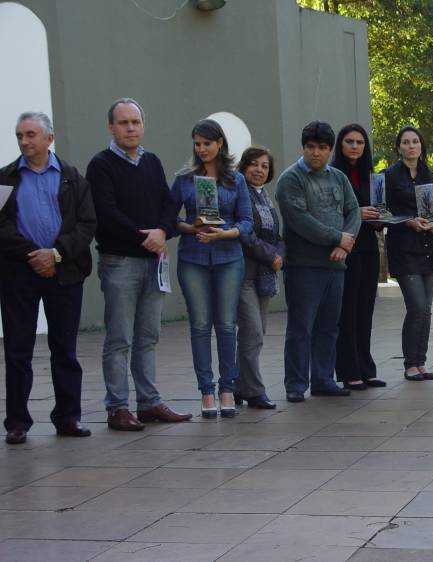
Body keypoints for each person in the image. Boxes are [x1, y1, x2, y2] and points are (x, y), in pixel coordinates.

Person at [87, 98, 192, 430]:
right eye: (123, 123)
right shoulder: (100, 165)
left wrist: (162, 232)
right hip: (120, 262)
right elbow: (106, 212)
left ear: (143, 125)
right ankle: (117, 407)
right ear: (111, 127)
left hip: (153, 262)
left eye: (135, 122)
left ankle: (148, 403)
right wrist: (143, 238)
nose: (130, 128)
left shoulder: (152, 161)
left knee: (148, 337)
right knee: (120, 338)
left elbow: (169, 203)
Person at [0, 112, 96, 444]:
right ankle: (17, 422)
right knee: (18, 350)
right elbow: (1, 225)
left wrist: (55, 254)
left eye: (30, 134)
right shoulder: (5, 178)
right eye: (19, 135)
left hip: (64, 272)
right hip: (19, 274)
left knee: (64, 349)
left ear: (49, 138)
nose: (24, 141)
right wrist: (34, 254)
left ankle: (68, 417)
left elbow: (86, 224)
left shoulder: (72, 177)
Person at [276, 121, 361, 402]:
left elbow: (353, 212)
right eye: (311, 147)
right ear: (303, 147)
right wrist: (337, 238)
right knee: (300, 328)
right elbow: (300, 220)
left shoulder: (339, 178)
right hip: (303, 266)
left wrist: (345, 244)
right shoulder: (291, 179)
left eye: (322, 148)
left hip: (336, 266)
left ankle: (323, 379)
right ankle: (296, 384)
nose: (316, 153)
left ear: (330, 150)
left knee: (328, 327)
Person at [171, 119, 252, 418]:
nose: (202, 149)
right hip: (193, 257)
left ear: (220, 143)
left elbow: (247, 222)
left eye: (207, 143)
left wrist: (226, 233)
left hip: (229, 256)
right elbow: (169, 219)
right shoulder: (184, 178)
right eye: (197, 144)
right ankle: (206, 390)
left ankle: (227, 388)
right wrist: (191, 228)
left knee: (227, 324)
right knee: (200, 324)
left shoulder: (236, 179)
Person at [385, 125, 433, 381]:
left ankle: (421, 362)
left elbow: (432, 211)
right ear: (399, 147)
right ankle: (410, 363)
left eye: (415, 141)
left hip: (428, 247)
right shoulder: (388, 175)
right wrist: (408, 221)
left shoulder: (428, 173)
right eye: (406, 142)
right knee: (417, 306)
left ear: (421, 146)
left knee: (427, 309)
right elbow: (381, 212)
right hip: (403, 248)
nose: (411, 146)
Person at [331, 124, 386, 390]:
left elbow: (379, 214)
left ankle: (366, 368)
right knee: (348, 311)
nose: (355, 146)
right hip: (345, 248)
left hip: (368, 247)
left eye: (360, 142)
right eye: (350, 141)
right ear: (340, 145)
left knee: (365, 311)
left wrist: (379, 218)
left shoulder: (372, 178)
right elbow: (330, 212)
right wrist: (357, 214)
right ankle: (348, 370)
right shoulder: (333, 175)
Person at [233, 146, 282, 409]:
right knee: (252, 331)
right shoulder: (240, 194)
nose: (259, 170)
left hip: (264, 275)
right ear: (243, 166)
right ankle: (253, 391)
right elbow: (246, 234)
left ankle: (238, 384)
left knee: (257, 332)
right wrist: (271, 255)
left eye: (264, 166)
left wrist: (280, 255)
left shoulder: (265, 198)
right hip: (243, 273)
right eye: (254, 164)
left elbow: (276, 236)